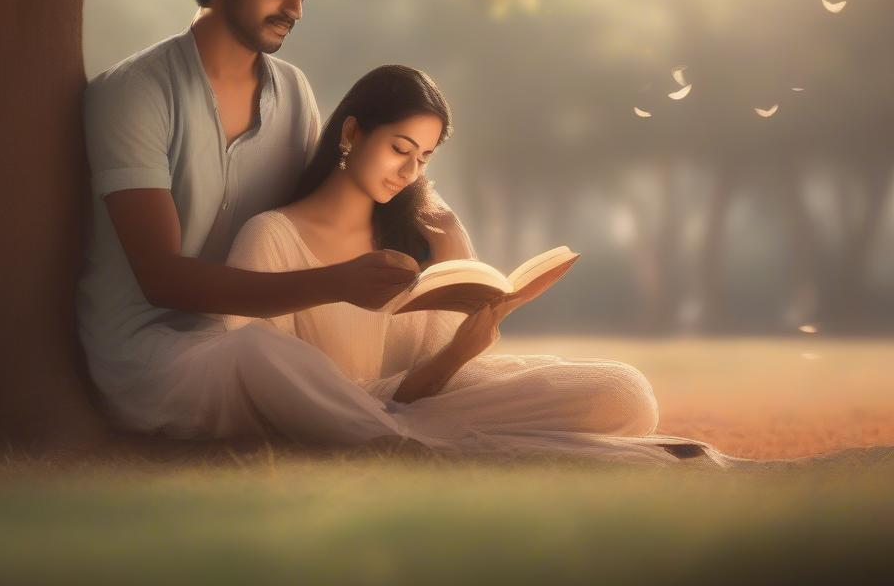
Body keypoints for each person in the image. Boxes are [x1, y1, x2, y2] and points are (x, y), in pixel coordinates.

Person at [218, 65, 760, 467]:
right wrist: (429, 374)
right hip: (341, 417)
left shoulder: (423, 231)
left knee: (625, 391)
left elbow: (436, 377)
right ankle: (415, 444)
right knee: (387, 423)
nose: (409, 172)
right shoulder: (272, 237)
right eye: (399, 148)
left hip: (429, 405)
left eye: (424, 159)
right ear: (353, 133)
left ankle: (428, 439)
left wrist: (456, 257)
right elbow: (265, 388)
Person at [76, 0, 424, 433]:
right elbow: (161, 280)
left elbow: (311, 217)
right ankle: (400, 442)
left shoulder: (294, 91)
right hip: (155, 356)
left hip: (262, 335)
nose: (296, 10)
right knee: (260, 354)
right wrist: (336, 283)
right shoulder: (135, 91)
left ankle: (404, 415)